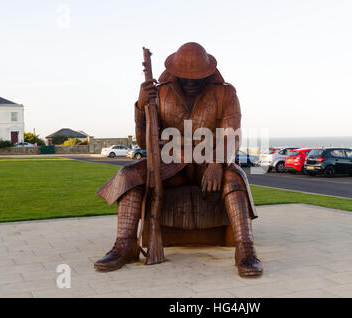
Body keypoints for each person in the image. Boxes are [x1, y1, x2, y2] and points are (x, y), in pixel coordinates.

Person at [93, 42, 262, 277]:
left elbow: (231, 132)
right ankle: (125, 245)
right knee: (128, 174)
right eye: (186, 77)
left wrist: (218, 162)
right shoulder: (159, 93)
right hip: (171, 165)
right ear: (175, 73)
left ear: (208, 73)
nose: (191, 82)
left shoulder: (225, 93)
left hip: (209, 163)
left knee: (234, 178)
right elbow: (143, 142)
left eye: (197, 77)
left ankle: (246, 250)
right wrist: (141, 107)